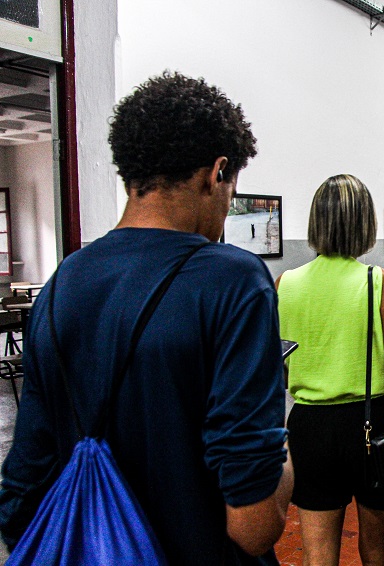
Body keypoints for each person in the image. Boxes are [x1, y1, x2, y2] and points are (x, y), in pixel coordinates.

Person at [0, 72, 292, 564]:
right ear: (216, 173)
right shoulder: (233, 281)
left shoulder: (60, 285)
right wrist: (284, 459)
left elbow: (20, 498)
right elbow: (254, 524)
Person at [277, 174, 384, 566]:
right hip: (373, 426)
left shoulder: (285, 284)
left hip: (309, 427)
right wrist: (375, 379)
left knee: (318, 556)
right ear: (364, 224)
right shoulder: (377, 282)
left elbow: (284, 371)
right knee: (377, 554)